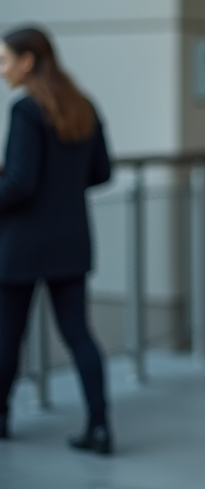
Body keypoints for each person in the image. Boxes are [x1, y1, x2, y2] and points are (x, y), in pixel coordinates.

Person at [0, 27, 113, 454]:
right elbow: (102, 172)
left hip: (23, 244)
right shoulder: (82, 105)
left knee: (9, 339)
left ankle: (1, 418)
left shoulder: (26, 111)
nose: (1, 70)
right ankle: (100, 427)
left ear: (28, 61)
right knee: (79, 334)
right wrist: (62, 187)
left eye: (5, 60)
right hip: (70, 239)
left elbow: (19, 185)